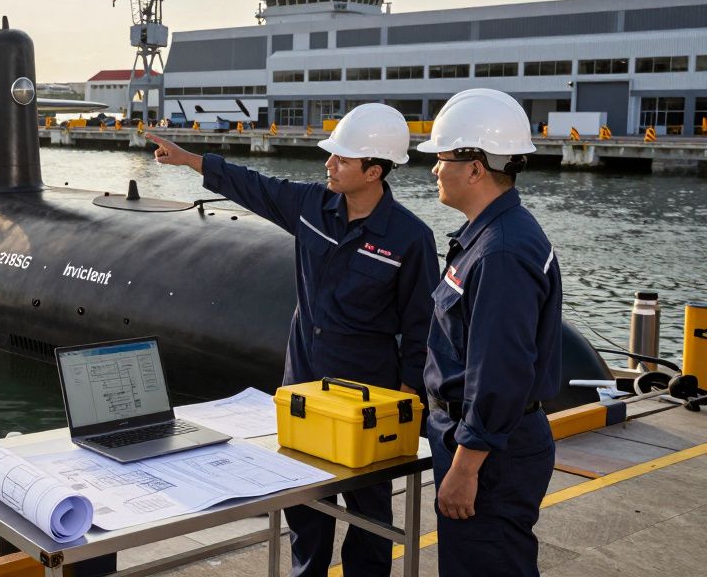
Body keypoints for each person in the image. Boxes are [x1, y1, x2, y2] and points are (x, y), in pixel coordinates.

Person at [147, 104, 437, 577]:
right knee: (305, 507)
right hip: (304, 387)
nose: (329, 164)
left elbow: (421, 326)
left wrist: (406, 400)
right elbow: (253, 185)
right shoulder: (311, 206)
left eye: (342, 159)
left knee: (370, 515)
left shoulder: (410, 238)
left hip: (367, 398)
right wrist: (189, 159)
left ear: (375, 171)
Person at [415, 88, 561, 576]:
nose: (435, 170)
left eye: (442, 159)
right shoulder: (496, 234)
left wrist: (465, 467)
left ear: (475, 168)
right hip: (485, 441)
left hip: (490, 453)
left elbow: (500, 371)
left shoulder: (500, 252)